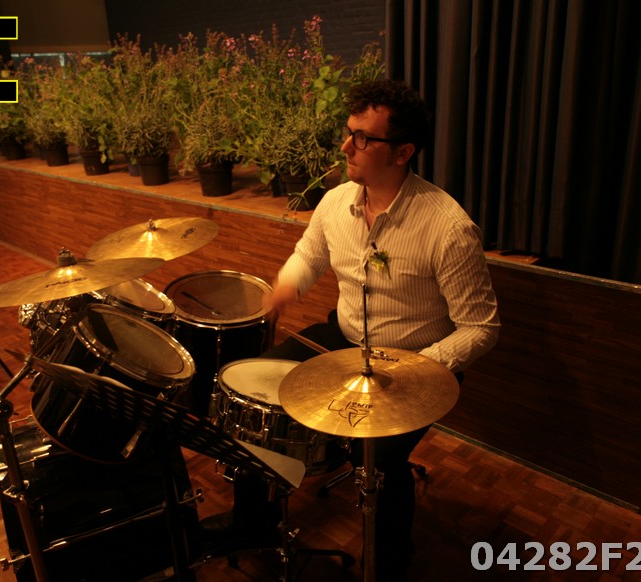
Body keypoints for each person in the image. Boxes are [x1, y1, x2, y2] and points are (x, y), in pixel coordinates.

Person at [204, 79, 501, 580]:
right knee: (253, 395)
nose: (346, 147)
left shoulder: (448, 229)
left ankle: (390, 564)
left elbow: (481, 327)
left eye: (363, 138)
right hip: (342, 339)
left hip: (414, 362)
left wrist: (420, 368)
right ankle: (252, 523)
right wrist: (284, 287)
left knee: (379, 463)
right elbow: (309, 256)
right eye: (347, 133)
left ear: (402, 152)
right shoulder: (335, 202)